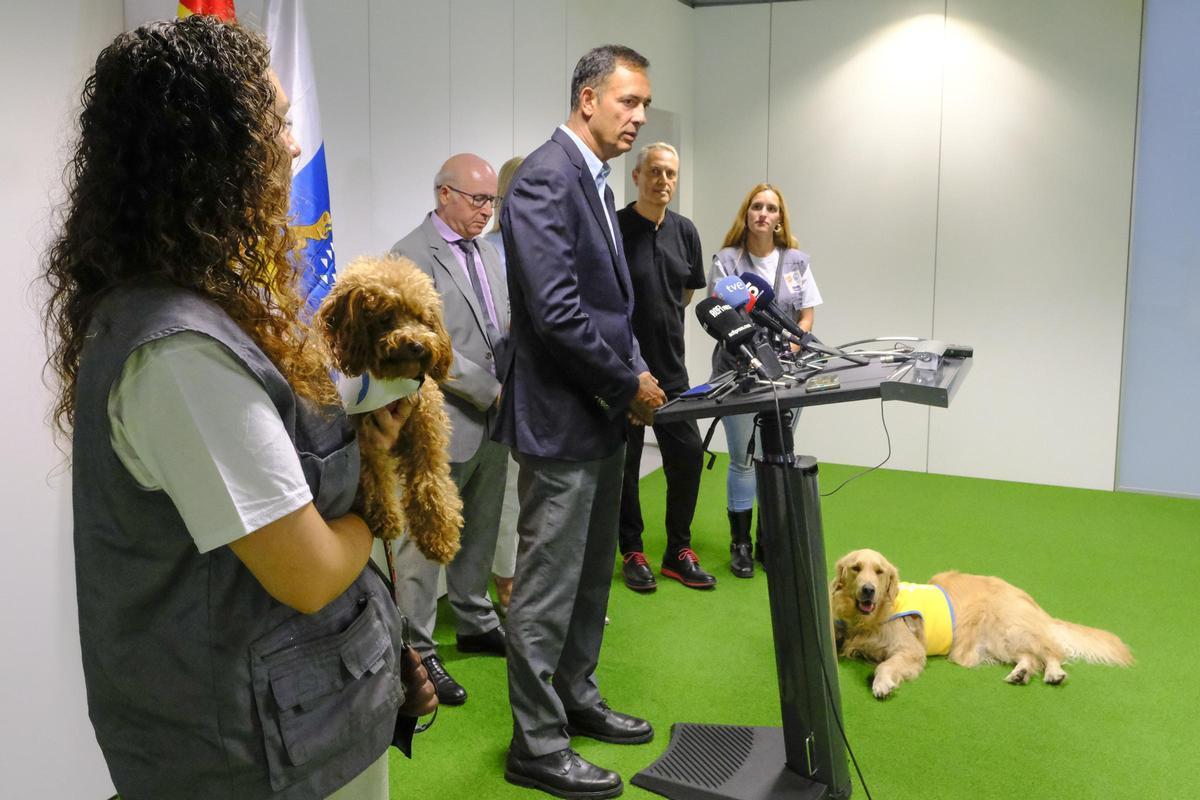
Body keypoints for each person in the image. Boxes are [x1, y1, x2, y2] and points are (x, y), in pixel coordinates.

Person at [41, 17, 435, 800]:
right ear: (210, 156)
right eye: (277, 126)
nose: (293, 148)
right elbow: (311, 574)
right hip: (249, 758)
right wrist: (376, 502)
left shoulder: (231, 305)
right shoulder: (180, 357)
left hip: (310, 720)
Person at [496, 45, 666, 799]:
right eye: (628, 102)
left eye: (644, 107)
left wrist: (627, 384)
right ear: (587, 98)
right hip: (564, 419)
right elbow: (557, 313)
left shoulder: (591, 180)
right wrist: (627, 382)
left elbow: (610, 305)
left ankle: (575, 695)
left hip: (599, 419)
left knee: (592, 578)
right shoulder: (542, 177)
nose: (637, 118)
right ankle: (535, 744)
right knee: (545, 588)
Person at [390, 153, 510, 706]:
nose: (487, 211)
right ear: (444, 194)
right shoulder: (410, 256)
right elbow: (424, 346)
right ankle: (418, 649)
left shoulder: (489, 251)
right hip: (440, 423)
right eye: (476, 199)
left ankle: (474, 618)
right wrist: (491, 389)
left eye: (492, 200)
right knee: (423, 540)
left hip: (494, 421)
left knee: (479, 527)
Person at [708, 183, 822, 578]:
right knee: (742, 459)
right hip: (736, 375)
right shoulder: (726, 260)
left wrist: (792, 347)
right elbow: (719, 314)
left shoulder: (797, 262)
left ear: (779, 219)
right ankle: (739, 543)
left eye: (771, 208)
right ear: (746, 213)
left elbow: (806, 318)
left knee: (776, 459)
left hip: (787, 375)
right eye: (756, 206)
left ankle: (767, 540)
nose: (763, 213)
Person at [615, 142, 714, 592]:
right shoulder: (614, 228)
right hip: (623, 371)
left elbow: (687, 293)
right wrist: (631, 372)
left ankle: (678, 551)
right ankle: (632, 550)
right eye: (654, 171)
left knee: (688, 456)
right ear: (636, 176)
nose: (663, 181)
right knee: (626, 463)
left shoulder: (685, 231)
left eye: (671, 174)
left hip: (673, 372)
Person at [482, 154, 524, 616]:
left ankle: (534, 584)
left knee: (540, 495)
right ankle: (506, 584)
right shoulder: (487, 249)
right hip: (503, 386)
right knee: (509, 495)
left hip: (550, 390)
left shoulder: (552, 246)